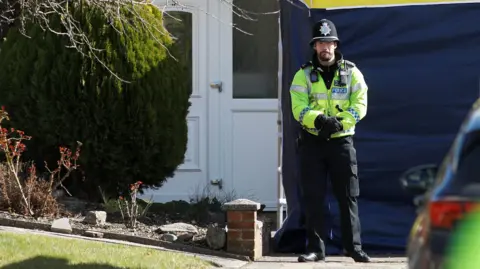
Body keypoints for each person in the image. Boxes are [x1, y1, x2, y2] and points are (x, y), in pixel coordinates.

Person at [289, 18, 371, 263]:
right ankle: (316, 249)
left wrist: (340, 122)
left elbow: (361, 104)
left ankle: (353, 248)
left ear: (336, 44)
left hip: (342, 143)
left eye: (328, 42)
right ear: (314, 47)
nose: (325, 47)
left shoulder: (352, 72)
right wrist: (319, 121)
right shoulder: (302, 75)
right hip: (313, 143)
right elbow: (297, 108)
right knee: (313, 197)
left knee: (348, 196)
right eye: (320, 43)